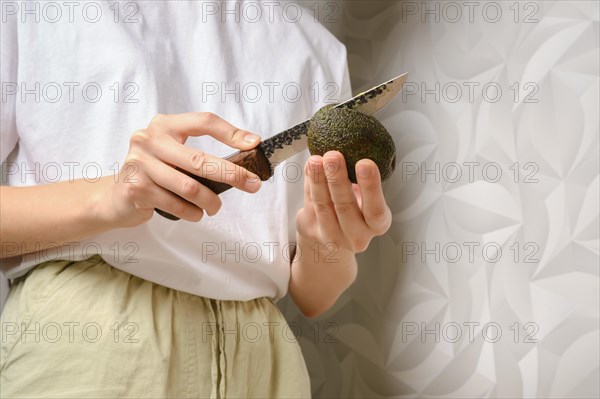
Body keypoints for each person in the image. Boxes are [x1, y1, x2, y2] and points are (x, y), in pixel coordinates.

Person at [0, 1, 392, 397]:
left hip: (266, 361)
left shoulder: (320, 49)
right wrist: (107, 198)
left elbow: (312, 298)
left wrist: (328, 243)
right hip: (92, 343)